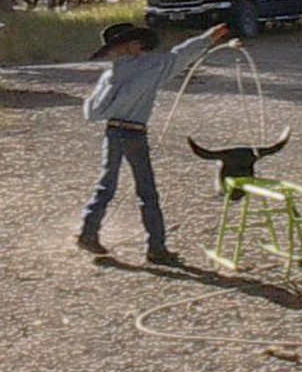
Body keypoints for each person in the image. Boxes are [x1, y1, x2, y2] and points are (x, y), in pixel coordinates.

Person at [77, 21, 231, 264]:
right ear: (132, 45)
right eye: (136, 43)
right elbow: (181, 55)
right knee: (147, 191)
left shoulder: (110, 74)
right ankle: (156, 248)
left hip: (113, 132)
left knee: (106, 185)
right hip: (135, 134)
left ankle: (88, 232)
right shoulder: (152, 66)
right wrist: (209, 37)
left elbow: (92, 112)